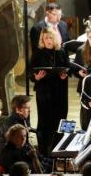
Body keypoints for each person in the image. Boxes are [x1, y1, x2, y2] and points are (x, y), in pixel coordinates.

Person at [30, 26, 70, 160]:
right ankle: (43, 152)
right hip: (44, 92)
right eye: (46, 38)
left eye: (51, 37)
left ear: (55, 38)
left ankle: (58, 150)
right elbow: (30, 73)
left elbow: (67, 68)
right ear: (42, 39)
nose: (48, 40)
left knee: (59, 120)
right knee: (44, 122)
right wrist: (36, 77)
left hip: (59, 92)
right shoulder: (37, 53)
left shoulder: (61, 52)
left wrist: (65, 74)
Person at [0, 95, 33, 163]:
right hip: (11, 162)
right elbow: (18, 148)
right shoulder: (11, 124)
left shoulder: (22, 120)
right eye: (27, 108)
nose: (30, 110)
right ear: (18, 110)